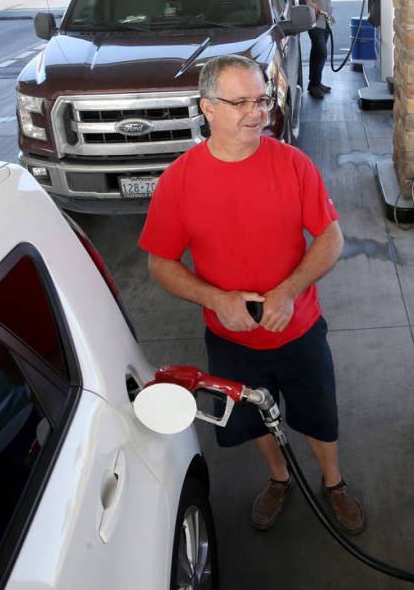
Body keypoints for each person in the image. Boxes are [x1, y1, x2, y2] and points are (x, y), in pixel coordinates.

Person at [139, 54, 365, 535]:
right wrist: (217, 300)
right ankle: (280, 478)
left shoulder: (292, 164)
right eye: (240, 101)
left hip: (298, 327)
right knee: (255, 419)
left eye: (261, 99)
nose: (256, 112)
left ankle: (333, 481)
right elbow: (160, 262)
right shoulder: (179, 181)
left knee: (319, 414)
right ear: (208, 108)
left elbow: (331, 239)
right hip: (232, 338)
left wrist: (287, 292)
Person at [297, 0, 333, 99]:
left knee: (317, 53)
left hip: (325, 21)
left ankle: (315, 83)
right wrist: (311, 4)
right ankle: (314, 86)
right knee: (322, 51)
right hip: (315, 22)